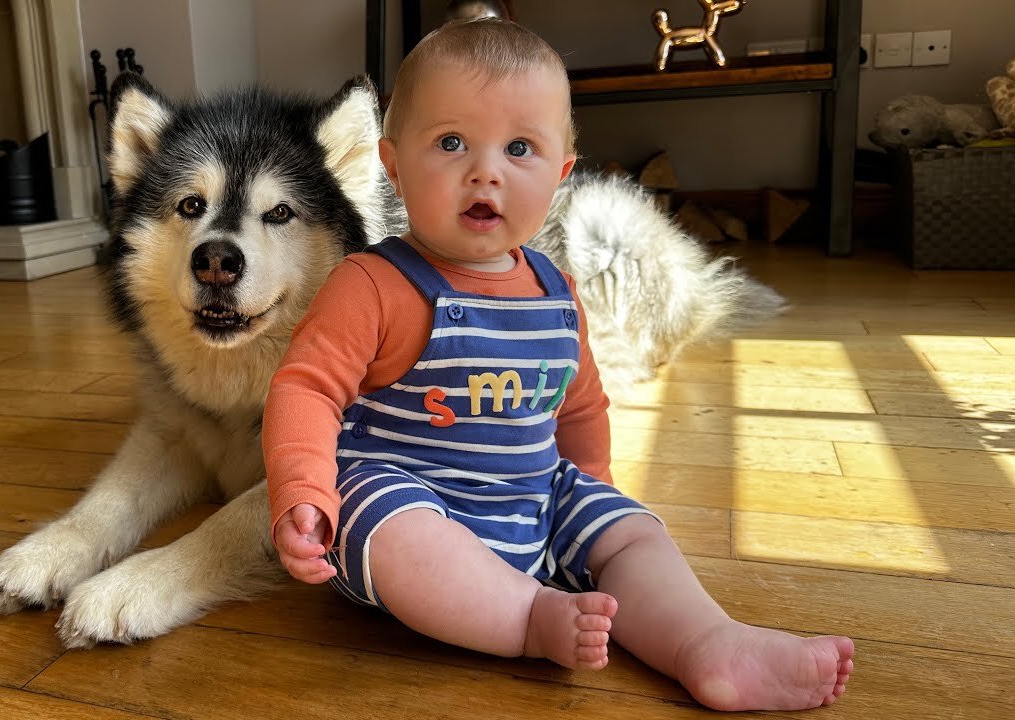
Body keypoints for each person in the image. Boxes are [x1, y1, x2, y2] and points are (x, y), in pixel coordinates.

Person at [263, 18, 853, 712]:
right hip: (411, 496)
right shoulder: (372, 283)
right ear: (393, 164)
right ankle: (524, 621)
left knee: (632, 532)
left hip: (533, 496)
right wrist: (304, 492)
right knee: (389, 521)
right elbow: (305, 389)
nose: (486, 170)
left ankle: (708, 643)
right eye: (451, 142)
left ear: (561, 172)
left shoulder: (554, 288)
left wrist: (595, 503)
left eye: (520, 148)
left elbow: (579, 406)